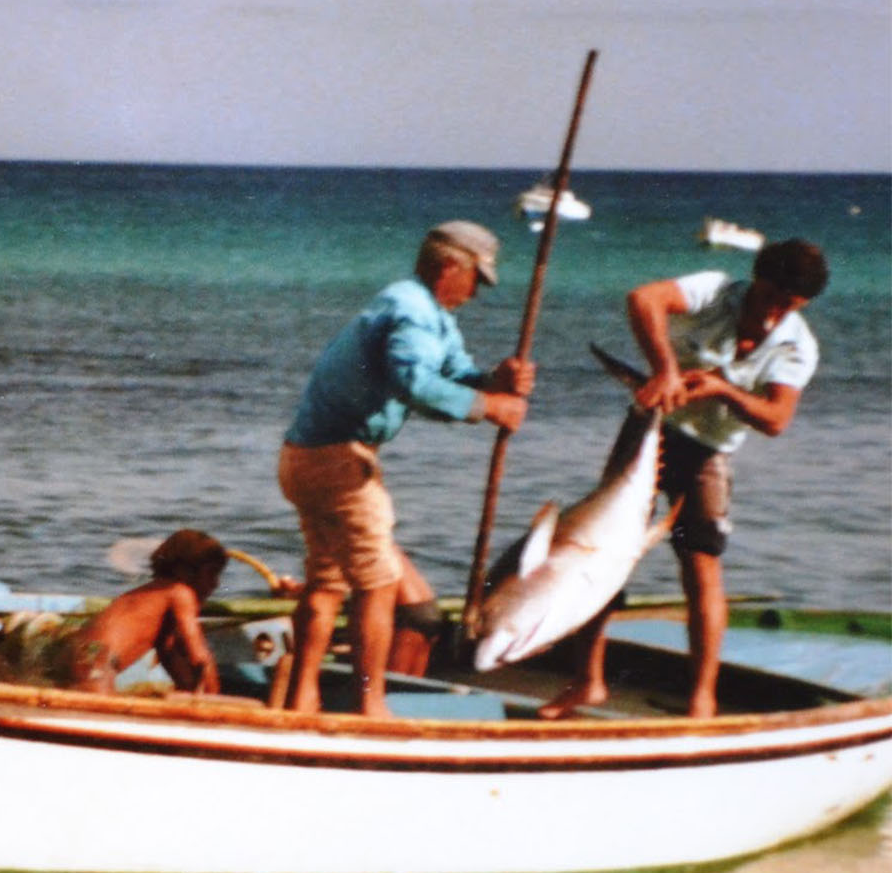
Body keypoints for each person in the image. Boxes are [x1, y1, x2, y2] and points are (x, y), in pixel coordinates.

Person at [544, 239, 829, 719]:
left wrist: (722, 389)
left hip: (709, 452)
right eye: (771, 298)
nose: (775, 313)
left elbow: (777, 419)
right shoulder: (716, 291)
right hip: (650, 427)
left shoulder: (798, 345)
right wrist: (666, 370)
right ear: (756, 279)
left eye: (790, 306)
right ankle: (586, 681)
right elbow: (644, 299)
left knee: (701, 567)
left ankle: (701, 699)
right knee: (603, 551)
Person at [277, 221, 534, 718]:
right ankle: (370, 704)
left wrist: (494, 381)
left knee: (327, 581)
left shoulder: (425, 311)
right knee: (379, 583)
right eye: (475, 279)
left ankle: (302, 696)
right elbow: (414, 381)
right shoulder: (411, 311)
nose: (477, 292)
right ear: (449, 268)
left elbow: (452, 374)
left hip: (304, 455)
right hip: (337, 458)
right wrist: (491, 406)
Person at [67, 529, 226, 695]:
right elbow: (200, 657)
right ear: (185, 571)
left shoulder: (150, 595)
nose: (215, 583)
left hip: (80, 655)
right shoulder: (180, 593)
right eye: (211, 573)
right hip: (99, 664)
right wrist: (214, 698)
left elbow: (170, 658)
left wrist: (189, 690)